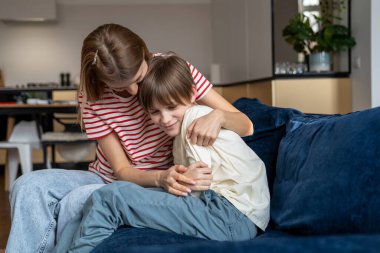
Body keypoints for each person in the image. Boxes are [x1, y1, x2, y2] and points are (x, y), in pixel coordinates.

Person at [6, 24, 253, 253]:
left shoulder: (172, 71)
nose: (135, 92)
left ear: (145, 56)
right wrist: (160, 177)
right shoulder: (91, 95)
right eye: (120, 88)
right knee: (26, 185)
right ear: (101, 80)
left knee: (77, 201)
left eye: (138, 79)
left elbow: (246, 124)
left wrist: (219, 116)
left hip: (157, 184)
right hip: (112, 176)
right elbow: (121, 169)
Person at [54, 52, 270, 253]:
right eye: (155, 112)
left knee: (111, 197)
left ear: (192, 94)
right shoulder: (180, 132)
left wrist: (172, 188)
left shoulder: (195, 121)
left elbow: (196, 189)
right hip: (228, 213)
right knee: (93, 202)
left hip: (228, 215)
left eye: (172, 107)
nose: (165, 119)